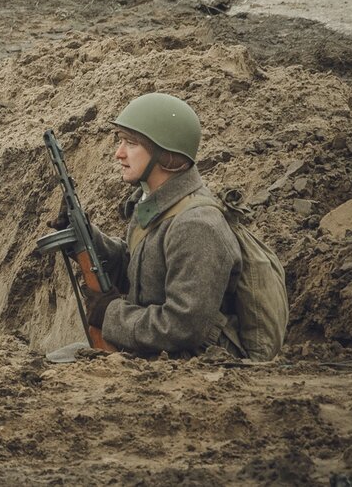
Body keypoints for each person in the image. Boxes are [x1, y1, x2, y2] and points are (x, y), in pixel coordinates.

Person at [82, 92, 244, 357]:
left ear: (167, 156)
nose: (118, 153)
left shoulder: (197, 226)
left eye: (131, 144)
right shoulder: (152, 203)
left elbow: (182, 327)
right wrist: (87, 239)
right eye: (121, 141)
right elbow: (142, 273)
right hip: (156, 354)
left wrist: (111, 315)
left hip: (196, 367)